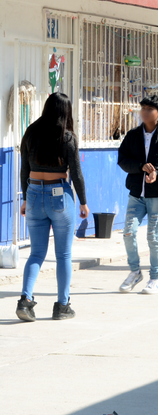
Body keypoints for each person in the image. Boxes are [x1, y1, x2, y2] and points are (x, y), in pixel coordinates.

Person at [15, 93, 89, 322]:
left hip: (34, 192)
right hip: (59, 195)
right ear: (65, 112)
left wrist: (26, 198)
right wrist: (84, 202)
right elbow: (75, 172)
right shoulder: (67, 138)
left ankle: (25, 301)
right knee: (63, 255)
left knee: (36, 253)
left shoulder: (31, 133)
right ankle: (62, 306)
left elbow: (24, 170)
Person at [117, 95, 158, 295]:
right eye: (143, 108)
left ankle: (155, 279)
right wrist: (140, 167)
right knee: (128, 232)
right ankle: (135, 272)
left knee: (153, 237)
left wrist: (157, 172)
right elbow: (122, 160)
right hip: (136, 194)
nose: (144, 112)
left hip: (157, 195)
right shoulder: (132, 135)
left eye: (149, 109)